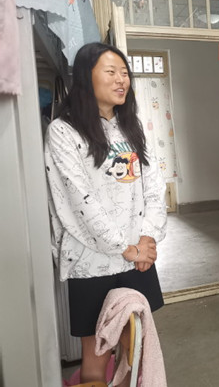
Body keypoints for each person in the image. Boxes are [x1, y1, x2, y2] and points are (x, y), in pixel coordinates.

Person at [45, 42, 167, 385]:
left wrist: (147, 238)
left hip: (136, 259)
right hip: (92, 262)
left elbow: (154, 188)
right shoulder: (64, 131)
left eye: (124, 73)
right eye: (110, 72)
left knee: (135, 349)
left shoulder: (131, 128)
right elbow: (79, 201)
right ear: (86, 77)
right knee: (96, 354)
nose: (121, 80)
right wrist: (126, 248)